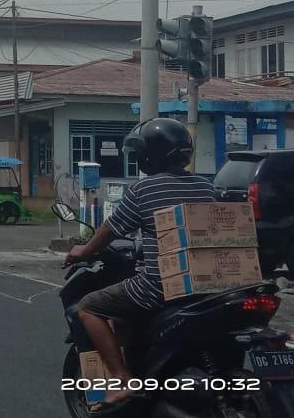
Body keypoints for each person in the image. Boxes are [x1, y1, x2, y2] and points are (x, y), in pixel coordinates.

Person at [66, 118, 215, 409]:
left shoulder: (144, 189)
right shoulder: (205, 185)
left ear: (148, 156)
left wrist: (84, 251)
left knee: (88, 306)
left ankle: (121, 381)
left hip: (160, 285)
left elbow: (111, 229)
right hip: (207, 282)